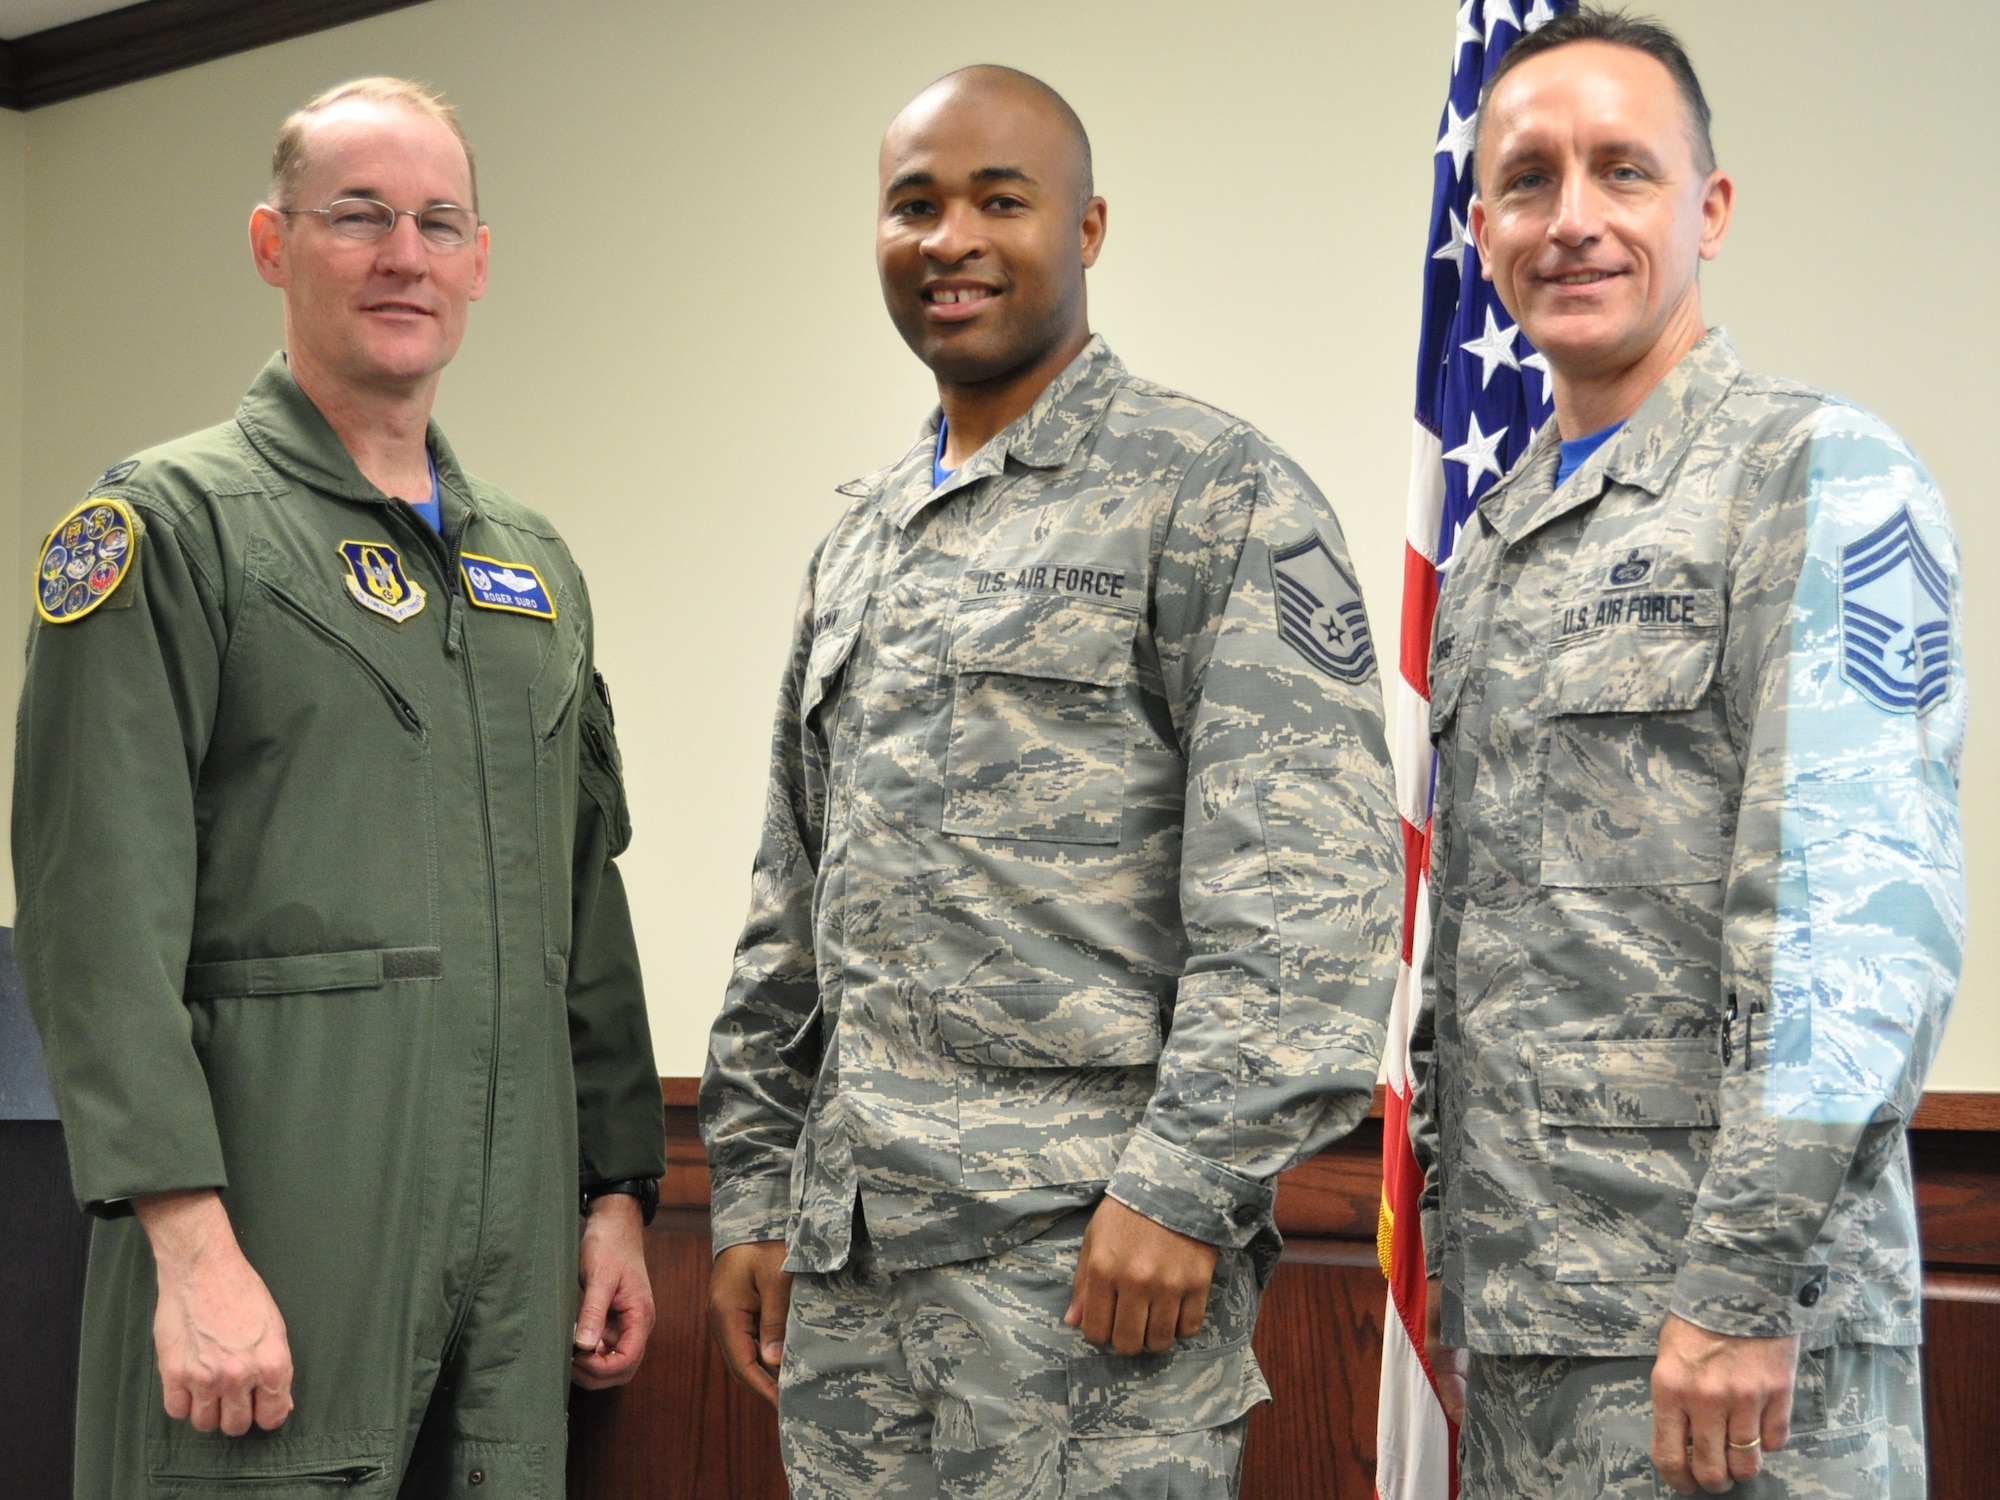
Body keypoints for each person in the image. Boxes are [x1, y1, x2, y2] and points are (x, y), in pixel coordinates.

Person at [699, 63, 1401, 1498]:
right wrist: (755, 1191)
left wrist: (1185, 1185)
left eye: (998, 200)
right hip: (850, 1283)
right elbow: (790, 904)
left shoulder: (1213, 493)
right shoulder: (864, 542)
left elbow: (1311, 894)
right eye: (913, 205)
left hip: (1087, 1272)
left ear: (1086, 228)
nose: (949, 237)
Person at [13, 78, 664, 1498]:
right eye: (358, 216)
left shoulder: (534, 572)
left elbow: (583, 905)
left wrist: (615, 1196)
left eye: (438, 223)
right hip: (275, 1244)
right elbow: (93, 919)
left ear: (479, 260)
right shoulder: (165, 531)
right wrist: (188, 1252)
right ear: (272, 243)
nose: (402, 256)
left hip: (514, 1279)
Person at [1413, 11, 1964, 1499]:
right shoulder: (1502, 536)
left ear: (1707, 209)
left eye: (1623, 173)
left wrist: (1734, 1287)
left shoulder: (1819, 475)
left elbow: (1861, 924)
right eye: (1529, 181)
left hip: (1733, 1343)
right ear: (1484, 226)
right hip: (1535, 1333)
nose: (1572, 220)